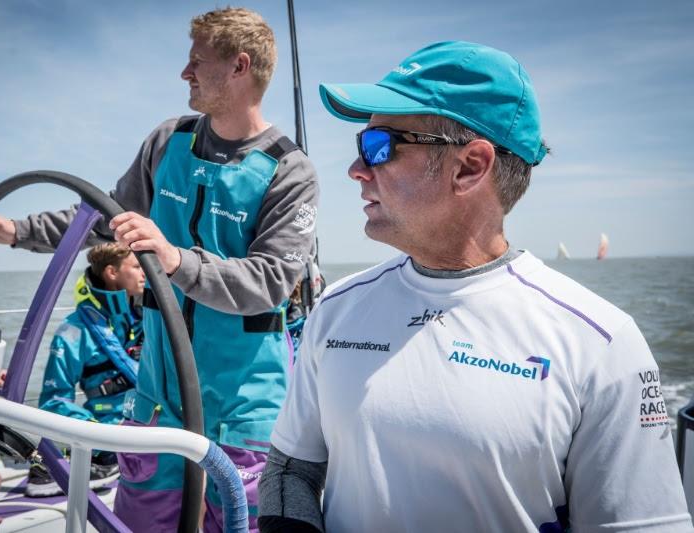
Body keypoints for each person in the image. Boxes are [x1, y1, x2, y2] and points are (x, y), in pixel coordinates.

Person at [259, 41, 693, 532]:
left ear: (470, 167)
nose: (356, 169)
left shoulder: (602, 344)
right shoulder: (336, 308)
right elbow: (291, 469)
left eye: (379, 147)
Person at [0, 7, 318, 531]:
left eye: (197, 62)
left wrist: (173, 259)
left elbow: (270, 282)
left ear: (240, 67)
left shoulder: (289, 170)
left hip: (245, 406)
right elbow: (102, 218)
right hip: (157, 398)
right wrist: (13, 232)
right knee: (138, 522)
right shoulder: (169, 141)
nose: (184, 73)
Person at [26, 243, 145, 497]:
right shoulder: (73, 331)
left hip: (149, 423)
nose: (145, 273)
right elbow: (53, 401)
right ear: (112, 272)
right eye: (137, 267)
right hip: (109, 430)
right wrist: (96, 437)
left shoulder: (147, 318)